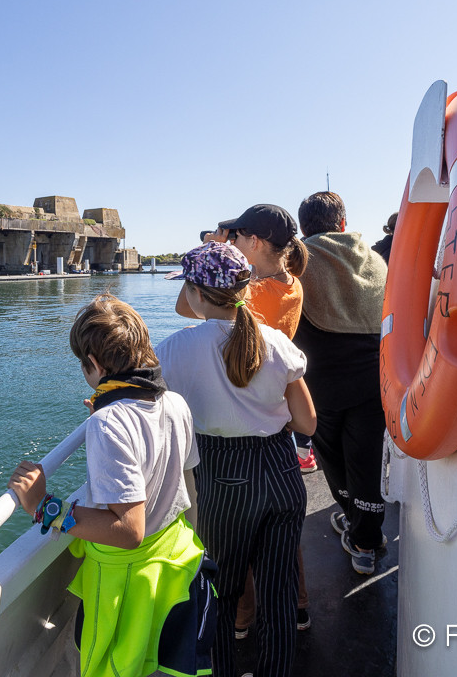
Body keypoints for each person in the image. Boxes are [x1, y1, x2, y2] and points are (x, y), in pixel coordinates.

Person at [8, 293, 214, 677]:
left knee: (113, 665)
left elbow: (129, 530)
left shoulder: (108, 424)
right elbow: (188, 482)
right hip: (174, 562)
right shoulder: (174, 404)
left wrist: (44, 506)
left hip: (126, 581)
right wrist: (110, 410)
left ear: (95, 365)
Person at [157, 242, 317, 677]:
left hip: (222, 475)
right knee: (280, 592)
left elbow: (152, 412)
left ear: (194, 293)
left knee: (222, 592)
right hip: (282, 471)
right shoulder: (276, 342)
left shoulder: (174, 350)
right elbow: (307, 423)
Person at [187, 204, 315, 635]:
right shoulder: (290, 285)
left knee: (229, 555)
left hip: (227, 458)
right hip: (276, 444)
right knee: (280, 550)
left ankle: (240, 619)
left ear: (254, 243)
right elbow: (308, 421)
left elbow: (192, 308)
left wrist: (211, 253)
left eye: (238, 236)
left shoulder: (251, 298)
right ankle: (296, 607)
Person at [294, 191, 389, 575]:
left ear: (303, 227)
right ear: (343, 223)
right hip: (373, 382)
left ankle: (354, 521)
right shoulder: (374, 261)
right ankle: (366, 540)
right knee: (366, 462)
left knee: (333, 461)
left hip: (323, 387)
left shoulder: (298, 262)